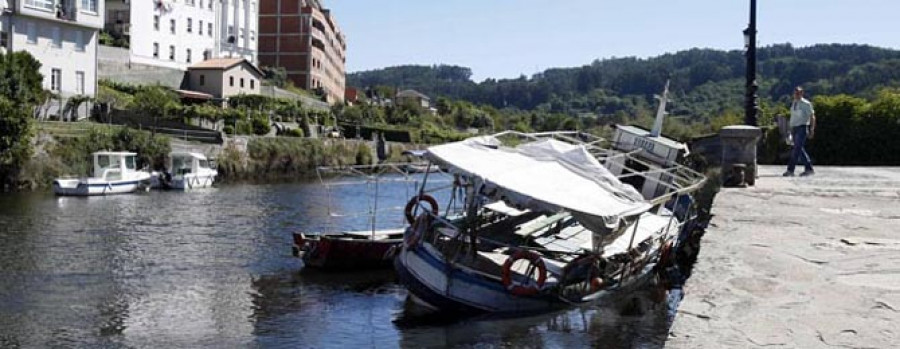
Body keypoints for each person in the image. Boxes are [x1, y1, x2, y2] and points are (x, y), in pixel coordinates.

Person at [784, 86, 816, 177]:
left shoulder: (806, 104)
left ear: (802, 93)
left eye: (799, 93)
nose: (797, 95)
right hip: (794, 128)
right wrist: (790, 129)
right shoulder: (794, 103)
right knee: (799, 149)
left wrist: (812, 129)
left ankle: (790, 170)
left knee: (796, 149)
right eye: (795, 93)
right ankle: (809, 168)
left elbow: (812, 116)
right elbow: (792, 117)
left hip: (802, 128)